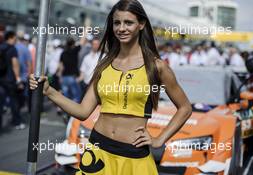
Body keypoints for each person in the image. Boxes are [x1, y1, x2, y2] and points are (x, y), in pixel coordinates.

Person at [29, 0, 192, 174]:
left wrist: (159, 140)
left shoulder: (157, 67)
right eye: (117, 23)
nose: (121, 28)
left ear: (141, 24)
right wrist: (49, 91)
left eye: (128, 22)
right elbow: (83, 111)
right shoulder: (104, 65)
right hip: (98, 149)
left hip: (133, 155)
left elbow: (185, 108)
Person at [0, 31, 25, 130]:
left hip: (1, 78)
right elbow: (15, 64)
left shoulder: (1, 47)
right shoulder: (12, 49)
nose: (16, 40)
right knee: (14, 101)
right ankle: (17, 122)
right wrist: (18, 79)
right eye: (15, 38)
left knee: (1, 102)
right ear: (11, 37)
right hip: (10, 79)